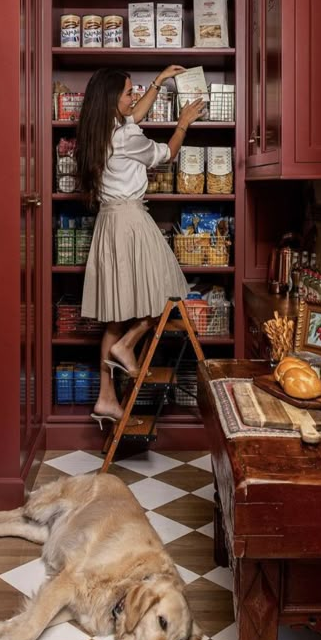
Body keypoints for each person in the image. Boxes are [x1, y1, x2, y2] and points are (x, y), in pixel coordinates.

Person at [76, 66, 205, 425]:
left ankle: (106, 398)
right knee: (168, 293)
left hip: (109, 222)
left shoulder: (102, 130)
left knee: (116, 316)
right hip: (132, 221)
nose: (134, 98)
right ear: (112, 100)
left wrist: (160, 83)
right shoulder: (125, 139)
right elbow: (166, 155)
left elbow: (134, 116)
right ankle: (128, 345)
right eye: (129, 93)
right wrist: (183, 123)